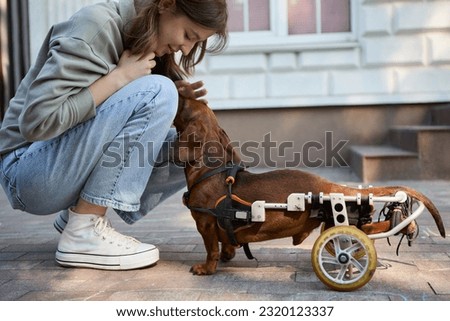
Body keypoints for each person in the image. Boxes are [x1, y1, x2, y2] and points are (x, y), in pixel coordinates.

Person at [0, 0, 228, 270]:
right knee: (158, 91)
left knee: (199, 149)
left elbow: (114, 116)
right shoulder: (95, 26)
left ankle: (77, 214)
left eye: (196, 42)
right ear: (166, 5)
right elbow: (37, 122)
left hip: (56, 168)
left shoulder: (143, 38)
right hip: (26, 171)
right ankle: (84, 231)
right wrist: (119, 78)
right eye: (188, 35)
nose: (186, 48)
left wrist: (175, 100)